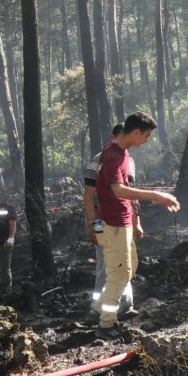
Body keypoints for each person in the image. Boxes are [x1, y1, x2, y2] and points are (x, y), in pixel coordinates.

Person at [94, 112, 180, 340]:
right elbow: (118, 190)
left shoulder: (122, 153)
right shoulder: (112, 156)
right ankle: (106, 323)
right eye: (147, 135)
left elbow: (124, 190)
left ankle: (98, 308)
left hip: (122, 222)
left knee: (129, 268)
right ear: (135, 132)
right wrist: (155, 195)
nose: (148, 140)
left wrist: (135, 219)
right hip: (112, 225)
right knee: (119, 275)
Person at [84, 124, 136, 318]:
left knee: (125, 262)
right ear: (113, 137)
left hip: (124, 222)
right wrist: (94, 227)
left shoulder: (128, 161)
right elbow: (89, 196)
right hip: (103, 222)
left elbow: (131, 194)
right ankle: (100, 310)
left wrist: (136, 222)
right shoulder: (98, 161)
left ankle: (126, 304)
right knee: (105, 265)